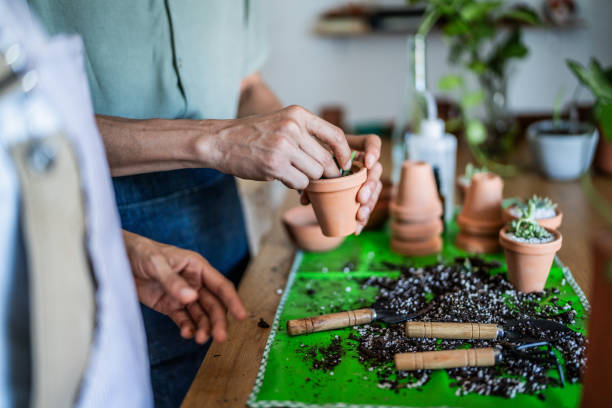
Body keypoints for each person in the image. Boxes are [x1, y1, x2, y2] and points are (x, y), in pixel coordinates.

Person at [26, 1, 383, 406]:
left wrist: (308, 149)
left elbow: (246, 87)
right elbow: (23, 130)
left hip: (218, 212)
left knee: (239, 371)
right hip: (95, 219)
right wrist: (215, 140)